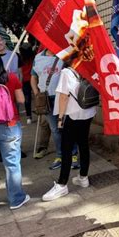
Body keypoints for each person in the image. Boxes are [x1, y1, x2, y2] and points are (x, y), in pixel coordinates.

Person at [0, 49, 29, 213]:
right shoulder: (11, 78)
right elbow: (22, 100)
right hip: (9, 125)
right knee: (12, 164)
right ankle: (16, 199)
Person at [42, 63, 97, 201]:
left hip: (73, 114)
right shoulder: (89, 67)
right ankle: (83, 177)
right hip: (88, 111)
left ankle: (62, 184)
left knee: (66, 148)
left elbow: (63, 96)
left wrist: (60, 118)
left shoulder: (67, 72)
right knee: (83, 144)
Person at [31, 49, 79, 169]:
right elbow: (33, 77)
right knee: (55, 129)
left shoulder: (65, 55)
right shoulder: (38, 57)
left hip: (63, 97)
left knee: (68, 127)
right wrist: (37, 93)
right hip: (46, 99)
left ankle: (73, 154)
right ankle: (60, 155)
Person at [19, 45, 35, 124]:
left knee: (27, 99)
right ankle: (40, 112)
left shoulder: (21, 60)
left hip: (25, 81)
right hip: (34, 79)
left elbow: (20, 73)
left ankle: (29, 117)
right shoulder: (33, 59)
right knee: (37, 97)